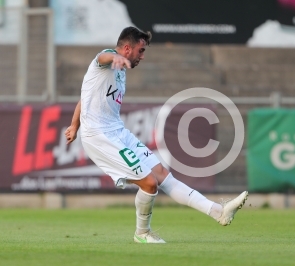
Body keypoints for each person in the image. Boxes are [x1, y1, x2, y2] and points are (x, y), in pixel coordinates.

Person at [64, 26, 248, 244]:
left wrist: (74, 125)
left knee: (161, 174)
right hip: (100, 137)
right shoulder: (106, 61)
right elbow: (104, 57)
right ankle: (142, 233)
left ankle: (219, 212)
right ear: (126, 48)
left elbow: (85, 96)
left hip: (118, 132)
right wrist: (116, 58)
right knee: (149, 183)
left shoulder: (120, 71)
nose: (143, 56)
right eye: (140, 51)